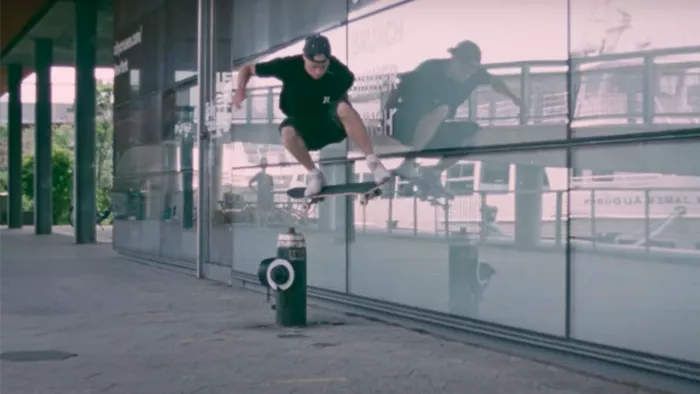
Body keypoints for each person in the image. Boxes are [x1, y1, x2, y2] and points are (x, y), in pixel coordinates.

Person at [232, 34, 391, 197]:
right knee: (287, 133)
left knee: (343, 107)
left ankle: (373, 163)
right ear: (304, 59)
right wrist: (240, 90)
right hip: (304, 126)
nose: (318, 72)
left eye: (323, 67)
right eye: (313, 66)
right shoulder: (288, 65)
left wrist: (347, 116)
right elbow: (247, 70)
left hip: (330, 124)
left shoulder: (340, 72)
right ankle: (315, 175)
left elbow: (345, 100)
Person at [383, 40, 524, 195]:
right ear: (453, 60)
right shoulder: (429, 69)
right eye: (463, 71)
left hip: (432, 132)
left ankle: (435, 172)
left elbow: (495, 81)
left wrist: (514, 98)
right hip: (404, 126)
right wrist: (385, 119)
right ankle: (409, 162)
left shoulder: (474, 75)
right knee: (442, 108)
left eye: (470, 72)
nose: (466, 76)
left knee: (473, 134)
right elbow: (397, 88)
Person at [248, 158, 275, 227]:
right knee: (260, 211)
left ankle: (264, 226)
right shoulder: (259, 175)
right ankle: (259, 226)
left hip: (267, 196)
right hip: (261, 195)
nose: (264, 165)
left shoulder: (270, 177)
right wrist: (256, 191)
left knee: (266, 212)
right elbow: (250, 183)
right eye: (263, 163)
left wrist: (272, 198)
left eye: (265, 163)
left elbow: (272, 188)